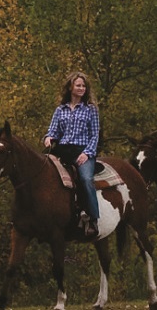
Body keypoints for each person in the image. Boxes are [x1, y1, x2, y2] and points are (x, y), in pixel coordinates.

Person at [44, 71, 101, 238]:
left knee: (85, 179)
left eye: (83, 86)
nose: (81, 88)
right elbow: (52, 131)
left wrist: (87, 154)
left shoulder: (91, 109)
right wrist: (48, 138)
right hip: (62, 149)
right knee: (43, 173)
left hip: (82, 150)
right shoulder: (60, 110)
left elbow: (95, 135)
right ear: (70, 87)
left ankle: (92, 219)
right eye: (78, 85)